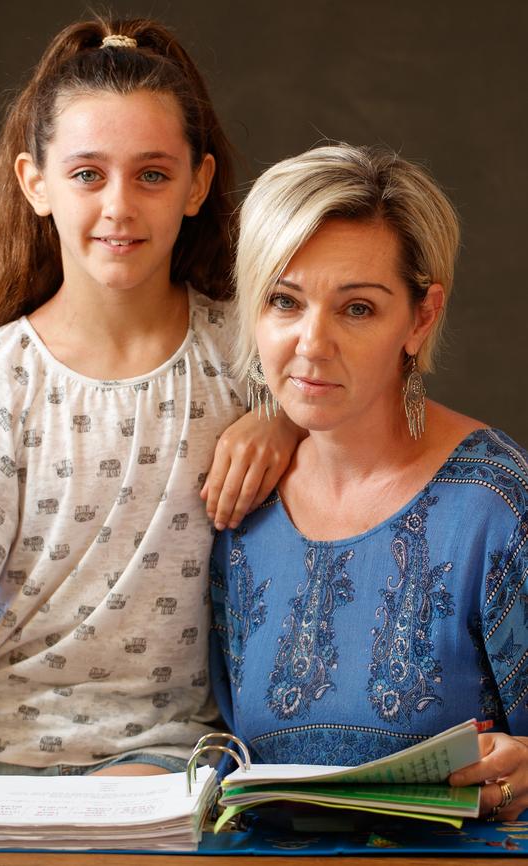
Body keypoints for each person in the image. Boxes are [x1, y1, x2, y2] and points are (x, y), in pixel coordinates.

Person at [0, 15, 302, 805]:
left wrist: (281, 419)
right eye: (87, 174)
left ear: (197, 185)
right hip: (2, 759)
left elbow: (351, 419)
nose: (119, 206)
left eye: (151, 174)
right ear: (35, 182)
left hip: (172, 752)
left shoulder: (248, 349)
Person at [210, 144, 528, 820]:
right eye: (284, 301)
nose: (312, 343)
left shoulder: (499, 505)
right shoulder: (241, 504)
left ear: (421, 317)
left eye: (357, 309)